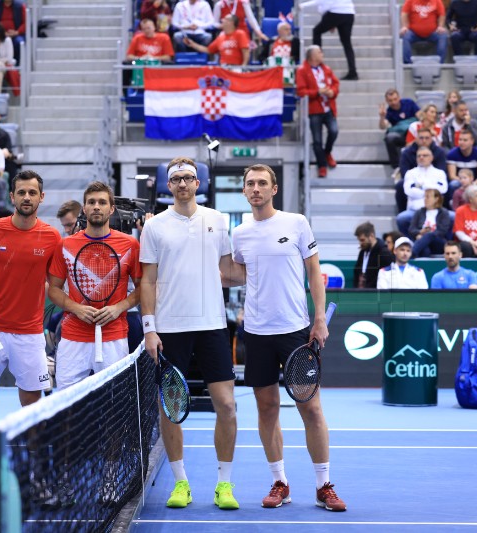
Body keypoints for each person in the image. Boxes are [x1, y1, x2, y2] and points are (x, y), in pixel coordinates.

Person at [228, 164, 347, 512]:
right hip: (257, 333)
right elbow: (239, 274)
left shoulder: (296, 222)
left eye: (262, 183)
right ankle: (279, 482)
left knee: (310, 408)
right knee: (267, 409)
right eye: (250, 183)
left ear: (274, 189)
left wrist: (319, 317)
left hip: (295, 330)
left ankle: (324, 486)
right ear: (245, 191)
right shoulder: (240, 234)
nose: (256, 189)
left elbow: (314, 271)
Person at [139, 157, 239, 510]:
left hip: (213, 325)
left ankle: (223, 485)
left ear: (199, 183)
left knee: (227, 405)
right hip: (170, 330)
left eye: (188, 178)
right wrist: (150, 328)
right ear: (169, 185)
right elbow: (147, 280)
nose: (182, 184)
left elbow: (229, 270)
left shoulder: (218, 220)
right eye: (176, 179)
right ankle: (181, 482)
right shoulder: (154, 227)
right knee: (171, 408)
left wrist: (269, 263)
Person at [0, 169, 60, 430]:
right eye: (21, 192)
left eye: (32, 193)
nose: (26, 197)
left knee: (31, 405)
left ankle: (33, 463)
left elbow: (56, 285)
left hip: (28, 335)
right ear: (12, 196)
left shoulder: (52, 237)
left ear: (41, 197)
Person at [48, 181, 141, 394]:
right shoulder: (65, 245)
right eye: (91, 202)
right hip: (73, 338)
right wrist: (76, 308)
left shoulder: (130, 245)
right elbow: (53, 288)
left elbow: (142, 288)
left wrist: (118, 308)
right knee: (66, 405)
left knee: (115, 405)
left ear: (112, 208)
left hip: (114, 338)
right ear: (84, 208)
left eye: (102, 202)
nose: (96, 206)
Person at [297, 45, 339, 178]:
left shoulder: (326, 69)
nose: (322, 54)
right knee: (317, 140)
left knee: (334, 131)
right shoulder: (302, 70)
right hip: (314, 109)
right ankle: (322, 165)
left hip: (328, 107)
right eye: (320, 52)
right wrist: (317, 92)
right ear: (312, 56)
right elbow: (301, 91)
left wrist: (333, 91)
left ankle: (327, 153)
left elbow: (335, 83)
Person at [397, 146, 449, 236]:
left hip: (436, 210)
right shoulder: (410, 173)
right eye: (419, 156)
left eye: (425, 155)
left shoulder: (440, 173)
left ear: (432, 158)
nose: (421, 157)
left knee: (453, 217)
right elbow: (409, 191)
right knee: (401, 218)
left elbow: (442, 190)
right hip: (415, 210)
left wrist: (420, 186)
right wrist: (431, 189)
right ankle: (410, 243)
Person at [299, 0, 357, 80]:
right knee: (347, 43)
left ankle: (317, 62)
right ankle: (353, 72)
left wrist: (303, 5)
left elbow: (323, 3)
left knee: (316, 31)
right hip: (349, 13)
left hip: (335, 12)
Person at [183, 14, 250, 66]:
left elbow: (246, 51)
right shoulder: (221, 37)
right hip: (223, 67)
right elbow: (208, 50)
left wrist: (243, 66)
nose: (222, 20)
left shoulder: (240, 34)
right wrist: (192, 44)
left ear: (231, 23)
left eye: (225, 19)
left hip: (237, 67)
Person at [379, 89, 420, 169]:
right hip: (402, 136)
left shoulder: (409, 103)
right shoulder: (389, 112)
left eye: (395, 99)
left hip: (414, 134)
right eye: (390, 101)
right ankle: (396, 167)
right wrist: (382, 117)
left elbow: (420, 116)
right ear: (387, 101)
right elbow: (383, 126)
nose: (393, 102)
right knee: (389, 138)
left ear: (399, 98)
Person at [408, 188, 452, 257]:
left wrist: (424, 235)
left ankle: (411, 253)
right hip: (422, 241)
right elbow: (411, 229)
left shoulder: (443, 213)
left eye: (428, 197)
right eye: (424, 197)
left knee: (429, 235)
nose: (425, 199)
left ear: (436, 199)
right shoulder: (419, 212)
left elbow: (442, 231)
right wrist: (420, 232)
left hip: (438, 242)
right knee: (425, 250)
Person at [353, 222, 394, 288]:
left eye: (362, 240)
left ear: (371, 236)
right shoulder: (363, 251)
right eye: (359, 240)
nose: (360, 243)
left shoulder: (384, 253)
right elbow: (357, 273)